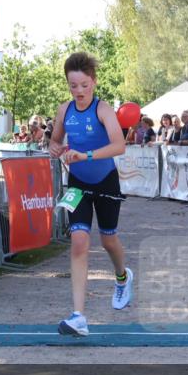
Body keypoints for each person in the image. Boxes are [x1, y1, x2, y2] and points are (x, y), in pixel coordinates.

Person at [48, 52, 133, 337]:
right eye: (73, 86)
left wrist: (85, 155)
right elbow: (55, 141)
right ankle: (78, 316)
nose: (79, 91)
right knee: (79, 241)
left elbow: (119, 145)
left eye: (84, 85)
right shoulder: (64, 110)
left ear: (94, 82)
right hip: (77, 184)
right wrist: (55, 148)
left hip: (106, 182)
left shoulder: (103, 109)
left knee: (108, 240)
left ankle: (122, 277)